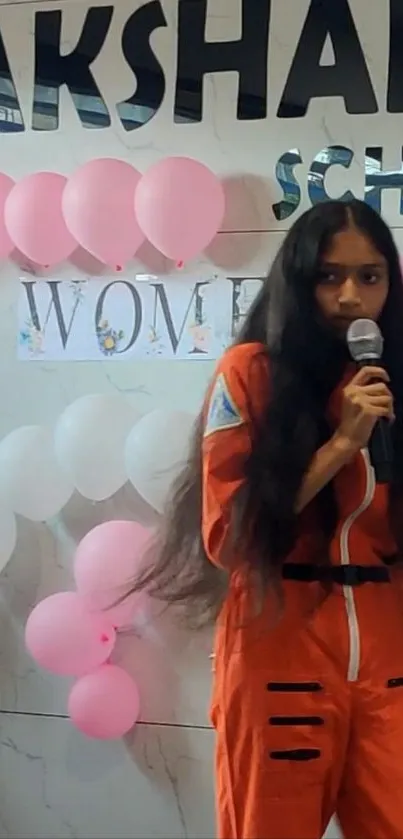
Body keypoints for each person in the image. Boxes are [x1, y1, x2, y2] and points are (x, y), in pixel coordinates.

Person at [128, 199, 403, 839]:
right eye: (329, 276)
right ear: (299, 281)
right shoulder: (250, 372)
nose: (350, 296)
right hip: (281, 655)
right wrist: (341, 445)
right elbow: (229, 536)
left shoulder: (390, 377)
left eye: (370, 276)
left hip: (389, 661)